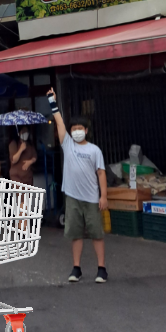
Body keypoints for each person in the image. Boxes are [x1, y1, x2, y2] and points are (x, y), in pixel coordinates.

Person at [47, 88, 108, 283]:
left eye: (80, 128)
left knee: (96, 234)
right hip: (72, 197)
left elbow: (101, 173)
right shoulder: (67, 144)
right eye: (74, 129)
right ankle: (76, 268)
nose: (77, 131)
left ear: (87, 131)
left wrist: (104, 196)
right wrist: (52, 102)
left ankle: (102, 269)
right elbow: (59, 121)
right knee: (75, 234)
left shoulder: (94, 150)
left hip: (91, 199)